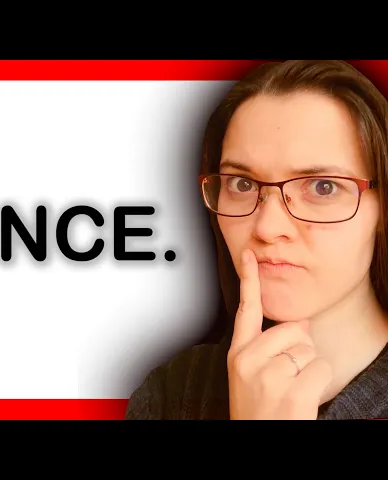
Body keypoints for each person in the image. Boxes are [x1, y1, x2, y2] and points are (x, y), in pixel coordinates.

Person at [125, 60, 388, 420]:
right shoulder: (171, 394)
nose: (267, 227)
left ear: (382, 208)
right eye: (242, 184)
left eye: (322, 187)